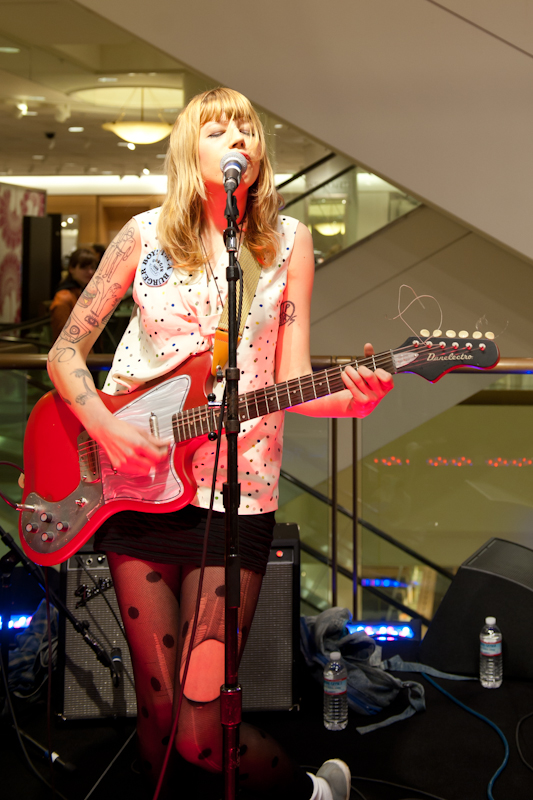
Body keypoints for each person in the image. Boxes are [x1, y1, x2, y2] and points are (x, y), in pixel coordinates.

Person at [46, 88, 393, 800]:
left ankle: (312, 792)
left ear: (258, 155)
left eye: (246, 127)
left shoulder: (288, 243)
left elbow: (291, 380)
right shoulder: (141, 238)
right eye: (216, 126)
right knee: (159, 716)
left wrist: (356, 395)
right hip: (136, 492)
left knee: (201, 725)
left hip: (237, 495)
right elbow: (65, 353)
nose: (236, 135)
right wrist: (107, 427)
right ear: (188, 149)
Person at [49, 247, 97, 342]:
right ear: (71, 269)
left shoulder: (83, 292)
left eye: (92, 268)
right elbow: (63, 337)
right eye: (84, 267)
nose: (90, 272)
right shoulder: (64, 297)